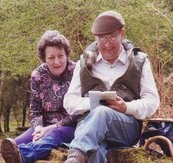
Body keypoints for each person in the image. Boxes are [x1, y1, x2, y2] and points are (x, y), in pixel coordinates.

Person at [63, 10, 160, 163]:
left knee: (102, 113)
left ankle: (75, 158)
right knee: (95, 151)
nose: (107, 45)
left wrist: (126, 107)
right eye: (102, 39)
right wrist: (94, 103)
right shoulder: (84, 62)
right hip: (89, 128)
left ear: (122, 34)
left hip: (126, 128)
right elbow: (69, 102)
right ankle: (81, 154)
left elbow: (152, 101)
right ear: (95, 38)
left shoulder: (139, 61)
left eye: (112, 37)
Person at [1, 30, 79, 163]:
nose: (57, 61)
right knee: (15, 144)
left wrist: (50, 129)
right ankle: (21, 153)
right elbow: (35, 111)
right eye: (51, 57)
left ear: (67, 55)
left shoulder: (77, 72)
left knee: (53, 135)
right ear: (44, 58)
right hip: (43, 125)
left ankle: (24, 156)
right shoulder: (37, 75)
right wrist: (38, 129)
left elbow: (80, 112)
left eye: (61, 56)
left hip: (70, 126)